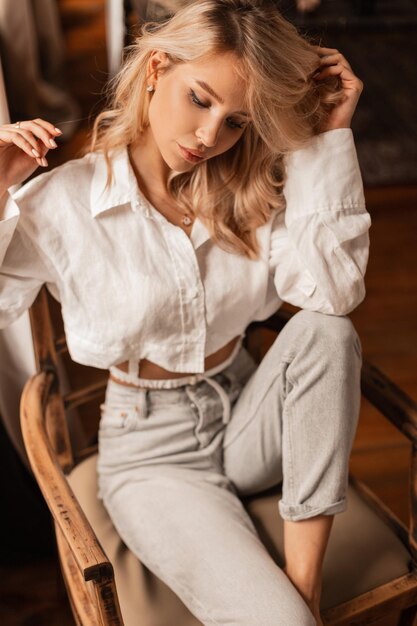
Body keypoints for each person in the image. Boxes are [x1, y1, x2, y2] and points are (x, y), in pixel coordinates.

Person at [0, 0, 370, 624]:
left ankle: (300, 589)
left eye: (235, 122)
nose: (209, 137)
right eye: (199, 100)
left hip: (251, 412)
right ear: (157, 68)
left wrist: (326, 136)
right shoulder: (63, 202)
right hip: (152, 451)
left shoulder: (251, 184)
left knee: (327, 332)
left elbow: (332, 295)